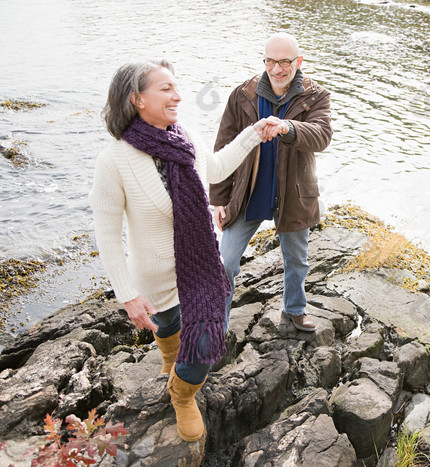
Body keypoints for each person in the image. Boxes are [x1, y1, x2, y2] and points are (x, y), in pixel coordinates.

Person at [90, 59, 285, 443]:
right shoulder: (114, 159)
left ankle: (181, 393)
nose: (178, 96)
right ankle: (168, 359)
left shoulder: (186, 137)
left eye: (177, 87)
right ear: (137, 99)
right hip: (154, 276)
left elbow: (214, 170)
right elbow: (107, 234)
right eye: (166, 89)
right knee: (169, 328)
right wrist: (127, 295)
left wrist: (253, 133)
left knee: (206, 344)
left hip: (201, 269)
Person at [210, 33, 332, 332]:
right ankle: (218, 325)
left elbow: (322, 136)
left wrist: (287, 127)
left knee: (297, 261)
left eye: (285, 62)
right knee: (224, 263)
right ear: (264, 61)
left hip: (294, 194)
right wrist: (218, 199)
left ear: (298, 62)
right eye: (270, 61)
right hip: (248, 193)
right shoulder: (243, 94)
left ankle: (294, 311)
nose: (277, 69)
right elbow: (223, 148)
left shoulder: (316, 95)